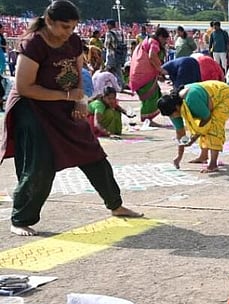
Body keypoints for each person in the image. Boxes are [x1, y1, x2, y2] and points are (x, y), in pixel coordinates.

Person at [1, 1, 142, 236]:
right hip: (33, 108)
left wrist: (79, 99)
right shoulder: (33, 43)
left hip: (64, 104)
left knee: (93, 154)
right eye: (65, 27)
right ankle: (20, 219)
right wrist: (66, 95)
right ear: (49, 22)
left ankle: (115, 205)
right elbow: (24, 87)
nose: (69, 32)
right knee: (40, 166)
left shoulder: (74, 41)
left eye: (73, 27)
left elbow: (78, 73)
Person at [158, 80, 229, 173]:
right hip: (204, 99)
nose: (173, 117)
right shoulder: (172, 108)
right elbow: (180, 133)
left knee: (214, 126)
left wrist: (193, 138)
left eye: (173, 115)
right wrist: (179, 157)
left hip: (223, 94)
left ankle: (213, 164)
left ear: (177, 108)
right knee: (199, 125)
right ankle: (203, 156)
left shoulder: (191, 100)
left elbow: (207, 118)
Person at [129, 27, 169, 125]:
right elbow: (152, 56)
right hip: (144, 74)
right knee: (150, 96)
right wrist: (160, 69)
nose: (165, 42)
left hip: (140, 73)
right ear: (160, 37)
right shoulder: (154, 43)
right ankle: (147, 119)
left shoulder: (148, 41)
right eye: (164, 39)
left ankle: (148, 118)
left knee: (156, 94)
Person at [103, 18, 127, 88]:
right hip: (119, 55)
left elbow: (106, 45)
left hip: (111, 54)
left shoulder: (109, 33)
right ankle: (121, 84)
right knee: (118, 70)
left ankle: (106, 85)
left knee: (107, 68)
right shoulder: (120, 32)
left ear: (110, 25)